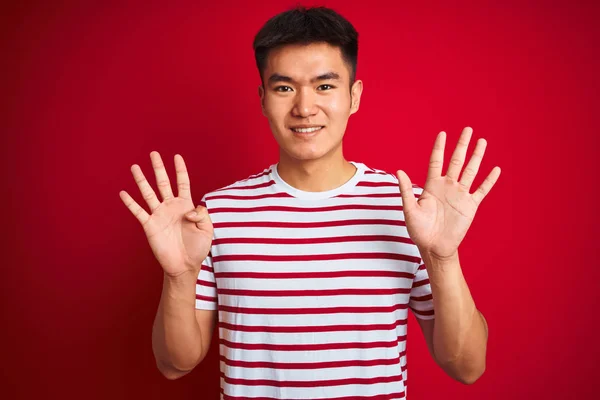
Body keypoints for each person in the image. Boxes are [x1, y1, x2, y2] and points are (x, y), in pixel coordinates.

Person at [119, 5, 500, 399]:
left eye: (324, 86)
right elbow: (173, 364)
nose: (304, 107)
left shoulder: (408, 210)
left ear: (354, 96)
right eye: (284, 87)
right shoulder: (214, 214)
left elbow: (467, 367)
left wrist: (442, 257)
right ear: (263, 98)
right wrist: (179, 276)